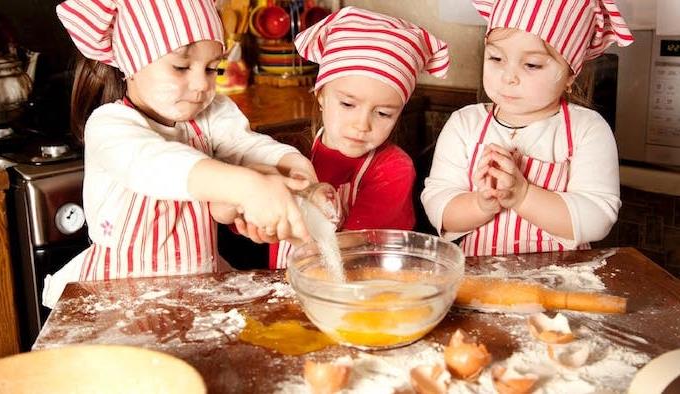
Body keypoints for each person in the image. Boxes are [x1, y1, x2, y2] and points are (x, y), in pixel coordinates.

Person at [43, 0, 316, 308]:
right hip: (121, 300)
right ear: (132, 65)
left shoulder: (211, 116)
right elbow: (154, 164)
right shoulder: (109, 126)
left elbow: (246, 146)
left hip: (197, 291)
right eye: (181, 67)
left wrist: (294, 168)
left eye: (213, 68)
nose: (201, 84)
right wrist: (249, 186)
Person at [421, 0, 633, 257]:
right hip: (479, 281)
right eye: (496, 58)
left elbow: (598, 217)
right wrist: (480, 205)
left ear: (570, 75)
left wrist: (522, 196)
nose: (508, 77)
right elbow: (437, 205)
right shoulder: (464, 125)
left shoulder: (587, 130)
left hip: (562, 283)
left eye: (531, 64)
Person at [268, 6, 451, 268]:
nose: (361, 125)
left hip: (364, 295)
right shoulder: (290, 152)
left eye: (383, 113)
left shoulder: (393, 169)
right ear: (321, 96)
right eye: (348, 104)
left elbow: (355, 243)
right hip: (284, 290)